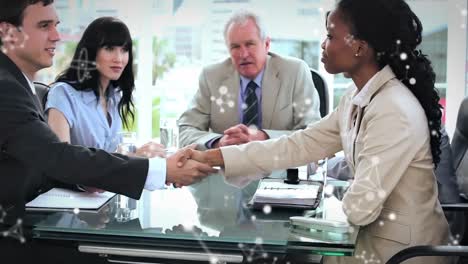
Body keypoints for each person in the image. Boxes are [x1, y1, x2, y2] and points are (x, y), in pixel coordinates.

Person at [180, 0, 452, 263]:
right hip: (368, 241)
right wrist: (215, 157)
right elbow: (299, 144)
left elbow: (360, 207)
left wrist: (323, 195)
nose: (323, 45)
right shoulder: (357, 96)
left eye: (331, 36)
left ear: (359, 47)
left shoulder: (393, 109)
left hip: (398, 252)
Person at [0, 0, 215, 236]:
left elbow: (48, 163)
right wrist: (161, 170)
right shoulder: (7, 89)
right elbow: (58, 157)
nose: (57, 36)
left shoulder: (21, 86)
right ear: (8, 32)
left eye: (56, 25)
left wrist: (91, 181)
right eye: (44, 26)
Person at [178, 10, 321, 150]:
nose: (243, 54)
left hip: (279, 168)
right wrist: (218, 142)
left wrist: (264, 138)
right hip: (228, 169)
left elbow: (311, 133)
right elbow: (186, 129)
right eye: (235, 47)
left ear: (266, 44)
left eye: (249, 44)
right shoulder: (212, 76)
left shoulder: (294, 72)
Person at [46, 17, 164, 158]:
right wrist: (132, 157)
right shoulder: (63, 94)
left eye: (124, 50)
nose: (119, 58)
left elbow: (114, 156)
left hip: (117, 180)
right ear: (91, 51)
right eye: (109, 48)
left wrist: (141, 154)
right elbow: (61, 162)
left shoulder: (113, 96)